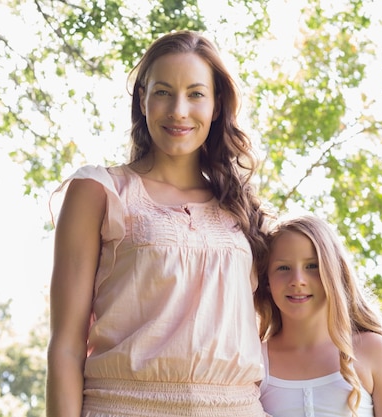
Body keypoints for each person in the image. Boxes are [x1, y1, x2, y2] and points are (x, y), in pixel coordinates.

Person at [46, 30, 271, 417]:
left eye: (196, 94)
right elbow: (66, 346)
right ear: (143, 99)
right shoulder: (100, 191)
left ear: (217, 106)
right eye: (164, 92)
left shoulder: (241, 209)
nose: (178, 110)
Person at [254, 214, 382, 417]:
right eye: (283, 268)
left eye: (312, 266)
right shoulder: (255, 360)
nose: (297, 280)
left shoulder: (373, 350)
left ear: (334, 272)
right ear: (267, 281)